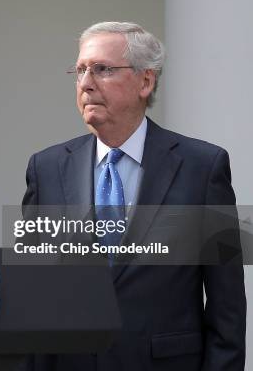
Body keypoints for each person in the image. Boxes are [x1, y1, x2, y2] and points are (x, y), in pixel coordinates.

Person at [23, 22, 245, 370]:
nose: (86, 83)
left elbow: (227, 307)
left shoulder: (204, 167)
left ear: (146, 81)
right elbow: (34, 297)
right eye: (80, 70)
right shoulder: (46, 168)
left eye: (103, 69)